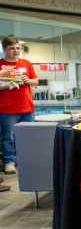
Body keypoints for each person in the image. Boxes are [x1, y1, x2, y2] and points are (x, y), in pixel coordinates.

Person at [0, 37, 38, 175]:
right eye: (12, 48)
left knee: (28, 137)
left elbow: (36, 81)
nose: (16, 51)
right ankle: (9, 162)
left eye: (18, 48)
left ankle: (26, 160)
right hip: (8, 109)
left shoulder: (26, 63)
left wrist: (29, 80)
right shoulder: (1, 64)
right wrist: (8, 85)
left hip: (27, 108)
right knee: (7, 138)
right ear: (4, 49)